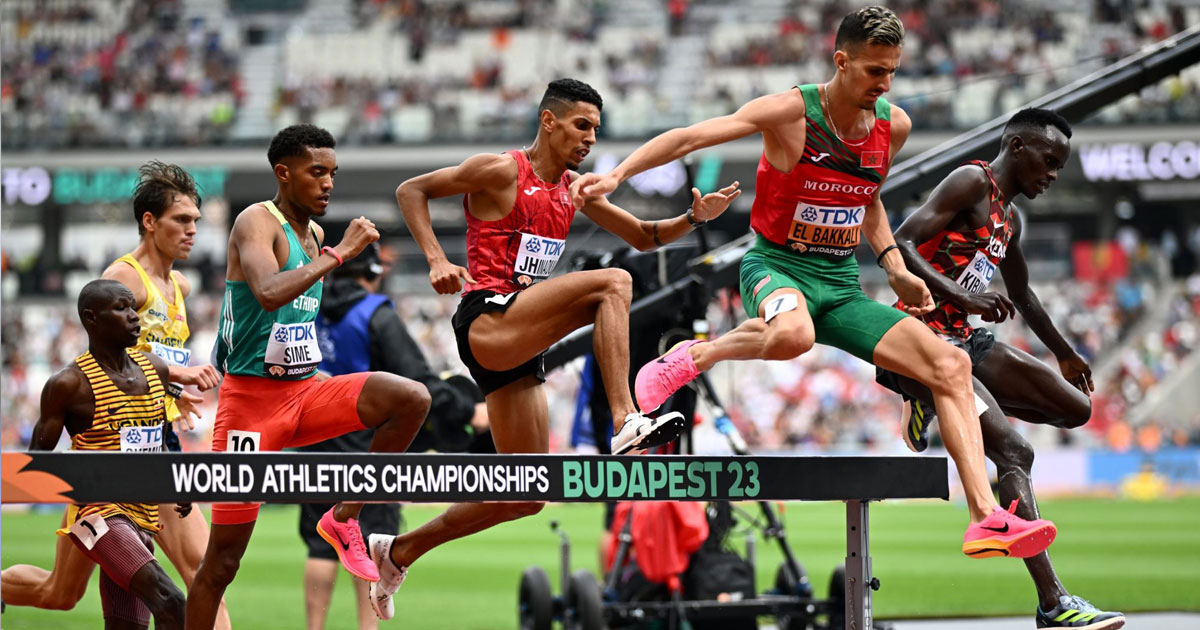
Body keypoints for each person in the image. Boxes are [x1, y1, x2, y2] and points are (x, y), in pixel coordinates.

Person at [570, 6, 1056, 560]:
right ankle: (695, 357)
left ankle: (984, 516)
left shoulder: (892, 125)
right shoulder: (791, 114)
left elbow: (866, 197)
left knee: (952, 365)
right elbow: (689, 137)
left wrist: (894, 263)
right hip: (777, 267)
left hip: (841, 284)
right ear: (841, 62)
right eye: (875, 71)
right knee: (794, 335)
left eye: (893, 70)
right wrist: (614, 176)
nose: (885, 84)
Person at [364, 77, 741, 620]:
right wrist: (436, 260)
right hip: (488, 321)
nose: (590, 138)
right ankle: (625, 417)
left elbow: (642, 236)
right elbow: (410, 190)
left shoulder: (573, 189)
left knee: (527, 491)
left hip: (522, 339)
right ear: (549, 121)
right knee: (613, 284)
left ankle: (397, 552)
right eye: (581, 125)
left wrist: (693, 219)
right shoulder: (500, 170)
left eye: (596, 128)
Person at [879, 108, 1125, 629]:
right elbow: (899, 242)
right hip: (922, 340)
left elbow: (1022, 295)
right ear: (1018, 147)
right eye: (1049, 161)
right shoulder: (971, 182)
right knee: (1015, 450)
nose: (1053, 175)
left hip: (967, 340)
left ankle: (927, 401)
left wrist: (1063, 350)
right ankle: (1054, 604)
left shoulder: (1008, 220)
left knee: (1075, 408)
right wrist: (956, 297)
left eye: (1059, 166)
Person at [186, 124, 432, 630]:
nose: (328, 184)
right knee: (222, 563)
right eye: (316, 172)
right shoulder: (257, 221)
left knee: (410, 398)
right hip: (249, 411)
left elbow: (292, 324)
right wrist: (339, 254)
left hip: (306, 392)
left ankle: (343, 517)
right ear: (284, 173)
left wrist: (327, 253)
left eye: (333, 174)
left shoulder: (313, 234)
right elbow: (270, 292)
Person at [0, 162, 232, 629]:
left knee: (59, 592)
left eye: (196, 222)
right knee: (203, 572)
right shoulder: (123, 279)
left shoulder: (180, 285)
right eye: (181, 221)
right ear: (150, 222)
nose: (193, 231)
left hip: (154, 437)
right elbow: (110, 358)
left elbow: (149, 361)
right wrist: (179, 377)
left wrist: (174, 391)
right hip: (116, 450)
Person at [299, 243, 486, 630]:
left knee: (320, 543)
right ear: (373, 273)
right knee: (368, 543)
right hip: (367, 445)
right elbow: (419, 381)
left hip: (316, 439)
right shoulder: (375, 314)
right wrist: (467, 411)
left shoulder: (311, 310)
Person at [26, 279, 187, 629]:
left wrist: (178, 484)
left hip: (143, 514)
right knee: (172, 603)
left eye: (133, 307)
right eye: (121, 308)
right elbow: (35, 463)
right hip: (98, 515)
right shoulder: (69, 384)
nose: (134, 316)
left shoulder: (154, 369)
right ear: (91, 319)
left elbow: (154, 440)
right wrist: (87, 479)